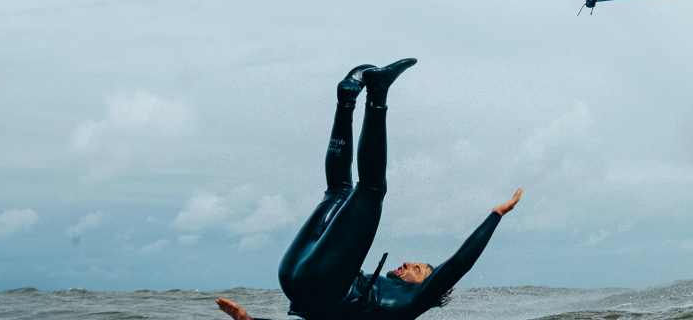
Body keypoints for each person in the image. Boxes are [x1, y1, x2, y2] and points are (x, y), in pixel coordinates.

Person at [216, 59, 523, 320]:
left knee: (372, 189)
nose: (407, 263)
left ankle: (378, 93)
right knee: (339, 190)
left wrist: (495, 215)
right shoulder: (368, 295)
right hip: (295, 274)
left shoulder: (412, 302)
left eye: (417, 269)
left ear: (427, 286)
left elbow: (457, 265)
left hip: (312, 280)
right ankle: (347, 97)